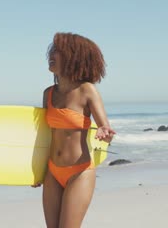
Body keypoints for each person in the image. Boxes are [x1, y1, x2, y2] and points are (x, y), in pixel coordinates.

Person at [37, 32, 116, 228]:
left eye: (57, 51)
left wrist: (104, 134)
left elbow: (105, 128)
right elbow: (43, 137)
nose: (51, 54)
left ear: (74, 57)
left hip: (79, 172)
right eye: (51, 50)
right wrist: (36, 172)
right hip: (52, 172)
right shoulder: (49, 93)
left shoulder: (87, 91)